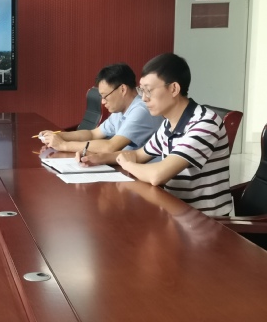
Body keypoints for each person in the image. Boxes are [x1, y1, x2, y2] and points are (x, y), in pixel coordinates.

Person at [78, 53, 233, 216]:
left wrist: (127, 164)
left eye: (149, 91)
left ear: (174, 89)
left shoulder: (204, 123)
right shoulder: (168, 123)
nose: (144, 98)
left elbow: (157, 175)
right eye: (142, 90)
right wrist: (97, 158)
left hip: (204, 221)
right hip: (173, 211)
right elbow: (139, 155)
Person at [39, 63, 163, 153]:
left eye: (105, 96)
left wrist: (64, 145)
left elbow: (110, 146)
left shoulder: (141, 110)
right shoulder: (121, 110)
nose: (103, 102)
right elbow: (92, 134)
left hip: (144, 175)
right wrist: (58, 136)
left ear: (122, 89)